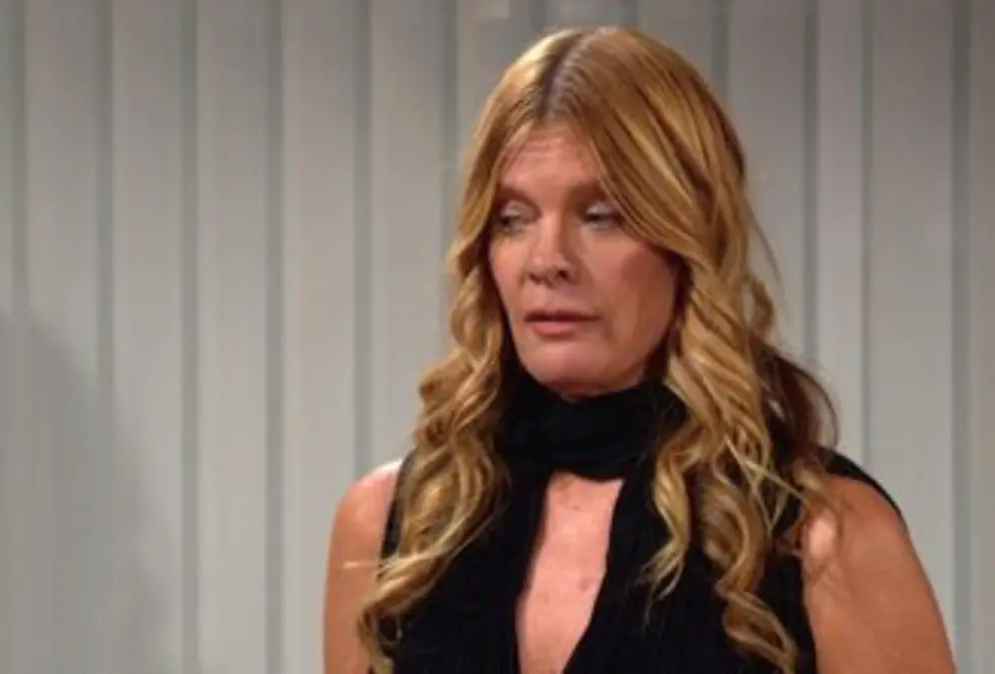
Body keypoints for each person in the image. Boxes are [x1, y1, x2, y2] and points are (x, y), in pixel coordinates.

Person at [322, 25, 954, 674]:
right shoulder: (389, 528)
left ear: (688, 237)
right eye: (513, 219)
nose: (547, 260)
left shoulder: (824, 537)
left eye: (601, 216)